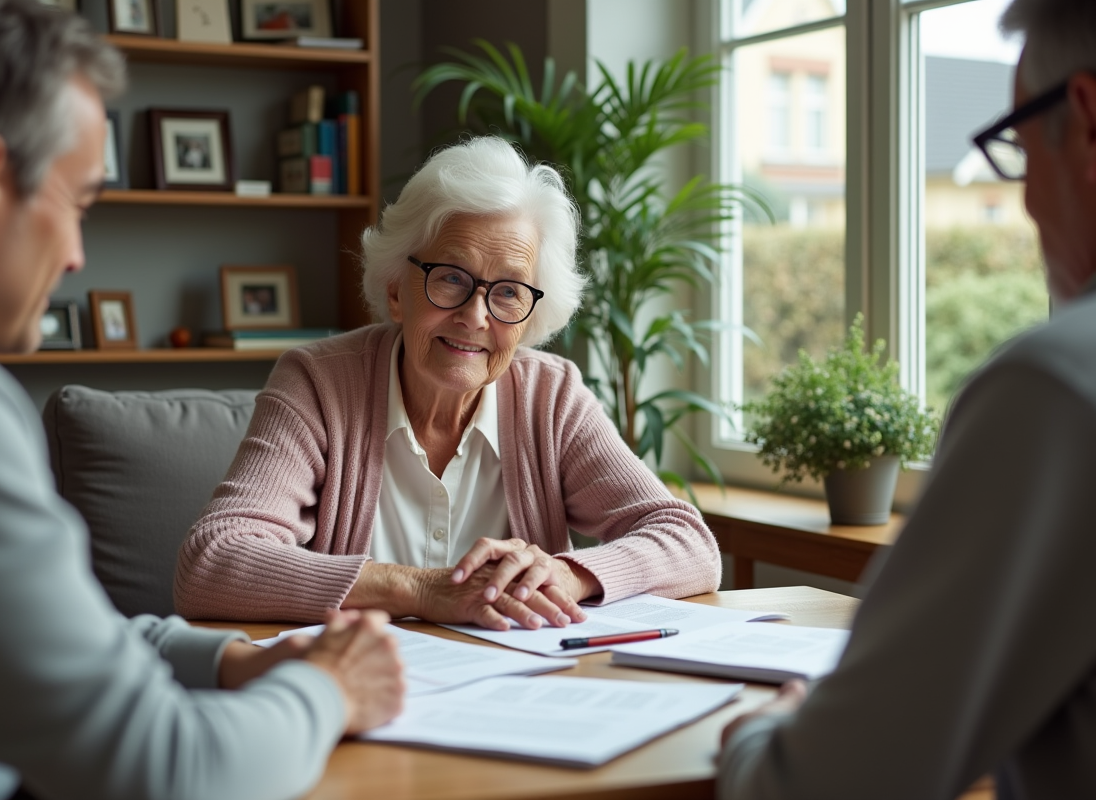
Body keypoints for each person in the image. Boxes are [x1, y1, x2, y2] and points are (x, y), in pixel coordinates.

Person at [0, 2, 403, 799]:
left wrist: (230, 658)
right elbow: (168, 770)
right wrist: (331, 691)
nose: (75, 256)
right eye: (80, 206)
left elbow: (51, 640)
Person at [717, 1, 1096, 797]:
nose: (1026, 204)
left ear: (1087, 124)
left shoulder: (1057, 386)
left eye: (1020, 157)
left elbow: (825, 787)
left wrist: (762, 731)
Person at [174, 136, 722, 630]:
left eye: (509, 291)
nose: (476, 316)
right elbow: (211, 562)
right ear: (395, 289)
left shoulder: (551, 397)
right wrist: (419, 590)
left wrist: (566, 573)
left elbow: (689, 542)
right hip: (361, 692)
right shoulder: (318, 384)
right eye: (451, 278)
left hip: (521, 698)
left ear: (532, 316)